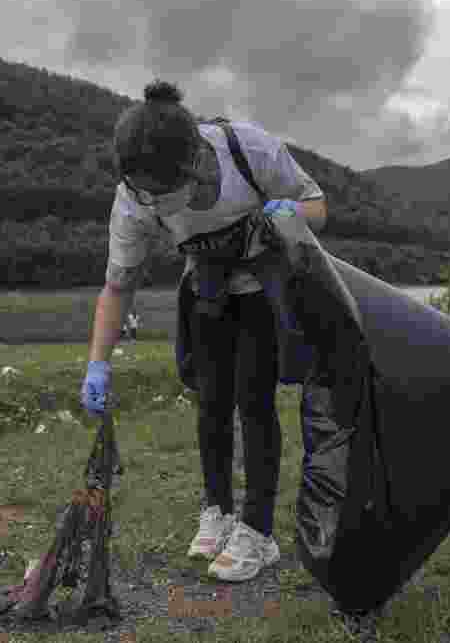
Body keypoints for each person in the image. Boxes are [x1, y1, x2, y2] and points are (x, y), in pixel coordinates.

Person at [79, 80, 328, 583]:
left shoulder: (248, 150)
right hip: (207, 290)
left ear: (193, 164)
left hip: (263, 285)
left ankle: (258, 532)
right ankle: (217, 509)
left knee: (253, 401)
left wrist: (292, 213)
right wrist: (98, 364)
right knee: (211, 400)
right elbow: (117, 287)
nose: (149, 200)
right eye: (140, 189)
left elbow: (317, 205)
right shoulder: (134, 200)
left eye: (158, 190)